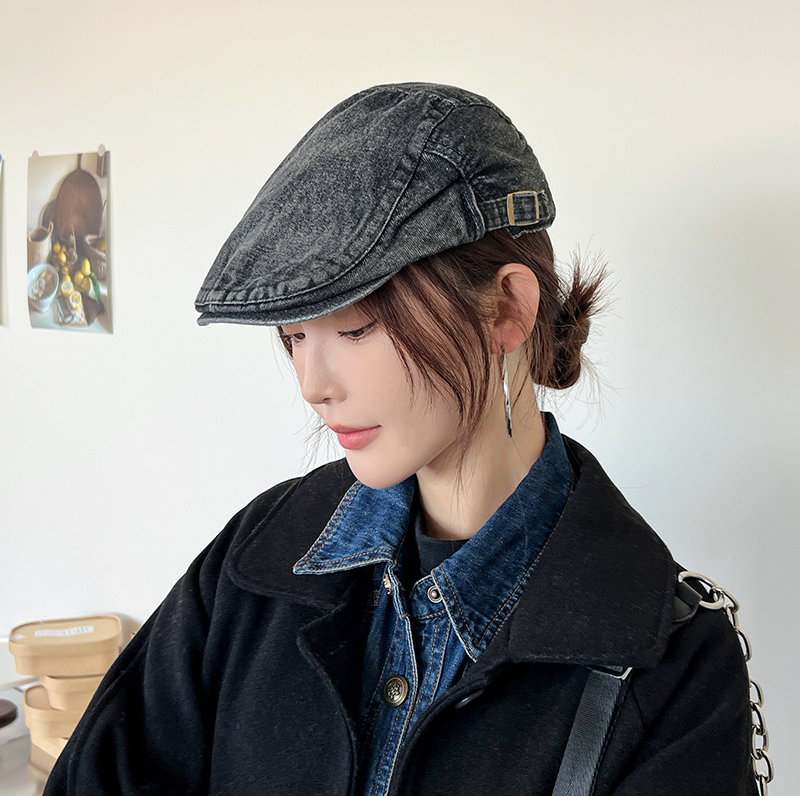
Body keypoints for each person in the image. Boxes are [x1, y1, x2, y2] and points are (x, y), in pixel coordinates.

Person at [44, 82, 760, 796]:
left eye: (354, 329)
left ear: (506, 309)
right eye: (293, 337)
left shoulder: (672, 661)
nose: (312, 384)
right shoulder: (257, 557)